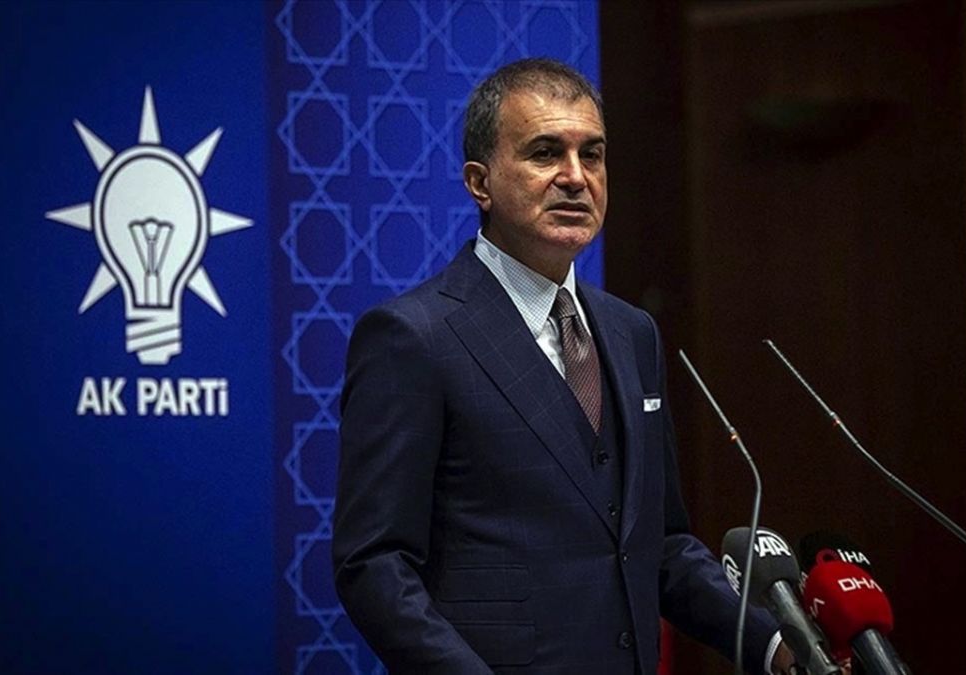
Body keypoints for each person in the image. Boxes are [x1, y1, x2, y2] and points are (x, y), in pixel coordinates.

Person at [333, 58, 795, 674]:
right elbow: (375, 564)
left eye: (592, 155)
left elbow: (661, 545)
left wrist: (776, 646)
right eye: (545, 153)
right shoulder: (413, 337)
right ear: (480, 183)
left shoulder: (633, 333)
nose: (576, 178)